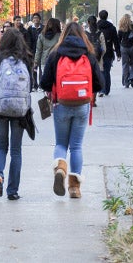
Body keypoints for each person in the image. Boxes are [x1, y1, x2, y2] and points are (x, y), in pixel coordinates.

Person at [39, 22, 103, 199]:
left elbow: (44, 82)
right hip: (82, 105)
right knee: (76, 146)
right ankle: (74, 188)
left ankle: (60, 168)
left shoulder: (56, 54)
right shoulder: (88, 54)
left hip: (61, 104)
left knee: (61, 144)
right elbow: (100, 83)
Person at [0, 28, 33, 201]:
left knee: (1, 146)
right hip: (19, 109)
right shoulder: (26, 58)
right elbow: (30, 84)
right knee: (16, 150)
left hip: (0, 106)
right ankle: (12, 191)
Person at [96, 10, 121, 96]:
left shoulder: (96, 26)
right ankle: (106, 89)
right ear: (107, 16)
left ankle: (101, 89)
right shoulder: (112, 28)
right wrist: (118, 53)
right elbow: (116, 42)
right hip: (108, 52)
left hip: (97, 53)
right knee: (106, 71)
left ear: (99, 16)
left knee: (99, 71)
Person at [118, 13, 133, 88]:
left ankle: (126, 82)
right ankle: (131, 77)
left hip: (124, 47)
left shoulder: (121, 29)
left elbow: (118, 40)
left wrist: (118, 51)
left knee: (125, 65)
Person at [85, 15, 105, 104]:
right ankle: (94, 99)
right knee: (95, 78)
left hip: (86, 60)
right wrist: (101, 57)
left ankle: (88, 98)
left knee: (87, 79)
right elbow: (104, 48)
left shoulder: (84, 33)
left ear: (88, 23)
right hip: (97, 59)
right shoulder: (100, 33)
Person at [34, 18, 61, 82]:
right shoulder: (60, 35)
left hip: (45, 60)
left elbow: (38, 50)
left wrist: (36, 62)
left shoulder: (41, 35)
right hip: (57, 60)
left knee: (47, 81)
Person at [26, 13, 43, 89]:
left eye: (37, 18)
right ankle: (34, 84)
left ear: (40, 19)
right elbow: (28, 41)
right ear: (32, 20)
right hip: (33, 51)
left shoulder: (43, 28)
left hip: (42, 52)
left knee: (41, 69)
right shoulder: (30, 29)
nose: (36, 19)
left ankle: (41, 84)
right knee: (34, 68)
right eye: (34, 18)